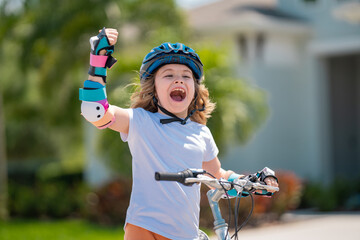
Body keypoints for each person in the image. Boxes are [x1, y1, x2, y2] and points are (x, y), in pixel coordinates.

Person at [79, 28, 279, 240]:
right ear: (153, 88)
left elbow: (218, 176)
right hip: (143, 226)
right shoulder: (141, 120)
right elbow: (95, 111)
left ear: (194, 89)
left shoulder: (201, 133)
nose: (179, 80)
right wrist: (98, 61)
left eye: (186, 76)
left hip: (183, 233)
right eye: (168, 75)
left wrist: (252, 182)